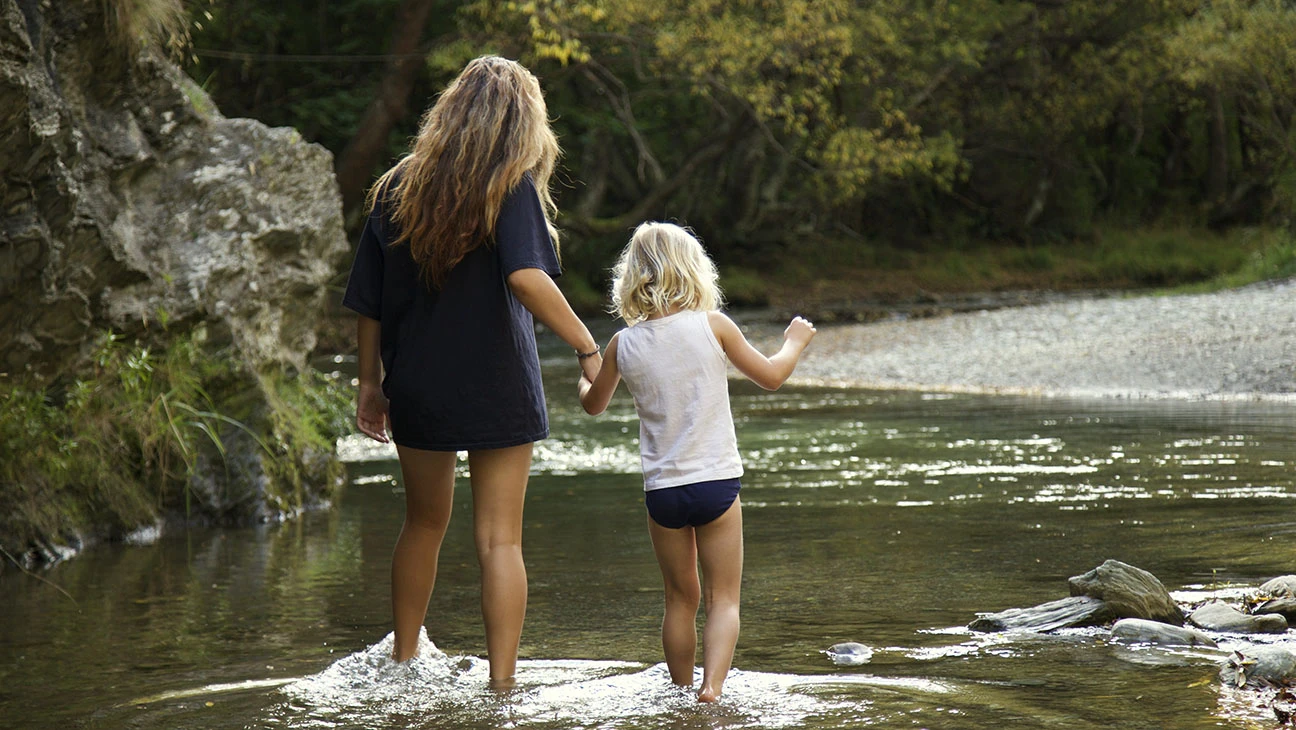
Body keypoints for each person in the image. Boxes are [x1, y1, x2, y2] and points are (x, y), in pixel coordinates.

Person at [341, 55, 602, 690]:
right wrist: (588, 343)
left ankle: (404, 659)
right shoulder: (508, 185)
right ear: (523, 121)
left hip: (418, 384)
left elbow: (367, 304)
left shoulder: (396, 186)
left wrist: (371, 384)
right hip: (497, 382)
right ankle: (502, 685)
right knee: (499, 542)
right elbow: (526, 277)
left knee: (422, 524)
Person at [577, 222, 816, 702]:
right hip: (716, 485)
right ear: (693, 271)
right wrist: (795, 342)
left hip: (663, 492)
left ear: (633, 278)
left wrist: (585, 381)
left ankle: (682, 691)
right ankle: (712, 688)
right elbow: (770, 376)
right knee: (724, 598)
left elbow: (593, 404)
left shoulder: (623, 343)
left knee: (680, 600)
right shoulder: (713, 325)